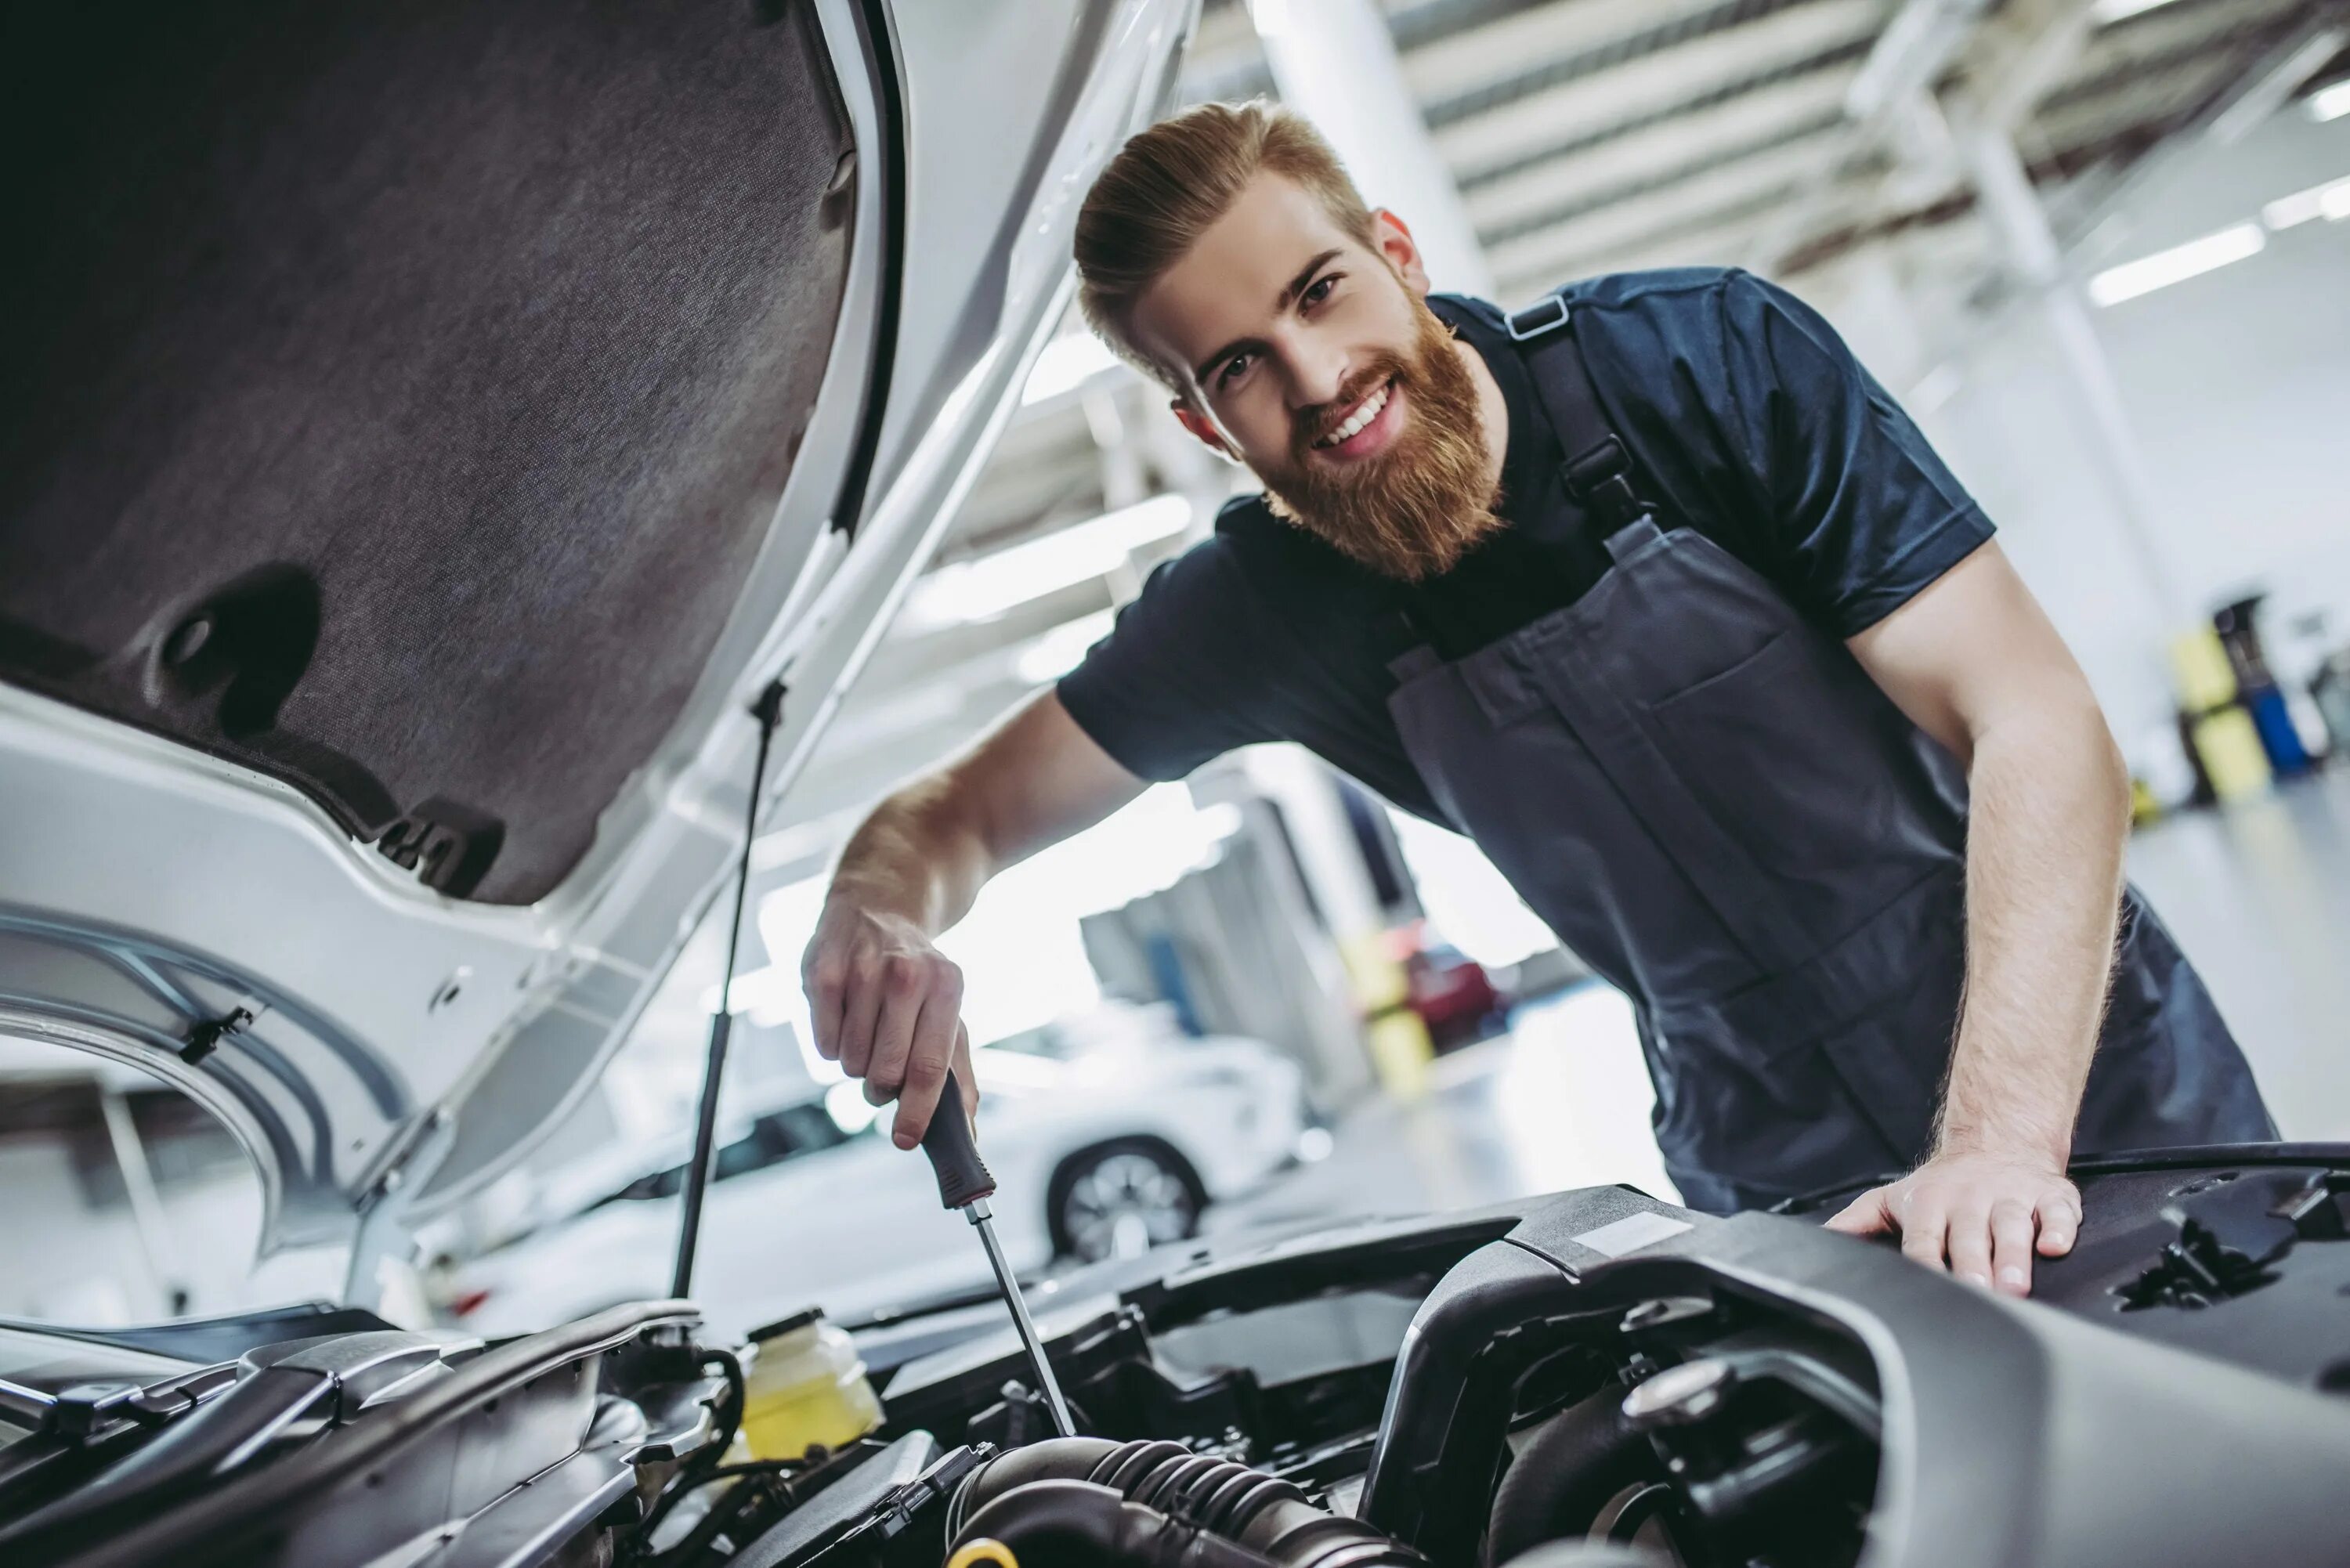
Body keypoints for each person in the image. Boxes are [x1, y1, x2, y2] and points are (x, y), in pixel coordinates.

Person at [800, 101, 2273, 1295]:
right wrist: (878, 905)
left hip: (2087, 1078)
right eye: (1242, 366)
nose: (1317, 379)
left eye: (1322, 292)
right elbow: (957, 817)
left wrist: (2006, 1141)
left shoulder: (1703, 363)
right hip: (1782, 1182)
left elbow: (2035, 721)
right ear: (1198, 421)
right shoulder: (1258, 610)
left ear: (1397, 252)